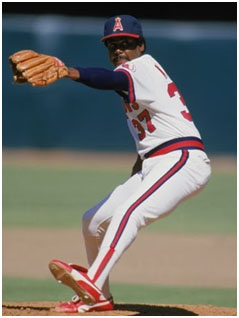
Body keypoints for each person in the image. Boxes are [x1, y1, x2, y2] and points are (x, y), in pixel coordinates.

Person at [11, 15, 212, 313]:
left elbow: (110, 79)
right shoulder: (138, 75)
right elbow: (153, 129)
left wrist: (68, 71)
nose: (119, 50)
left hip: (182, 159)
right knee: (93, 221)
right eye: (112, 45)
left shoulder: (140, 67)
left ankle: (92, 280)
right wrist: (138, 169)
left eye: (126, 43)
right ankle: (100, 296)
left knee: (128, 213)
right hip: (155, 162)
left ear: (140, 45)